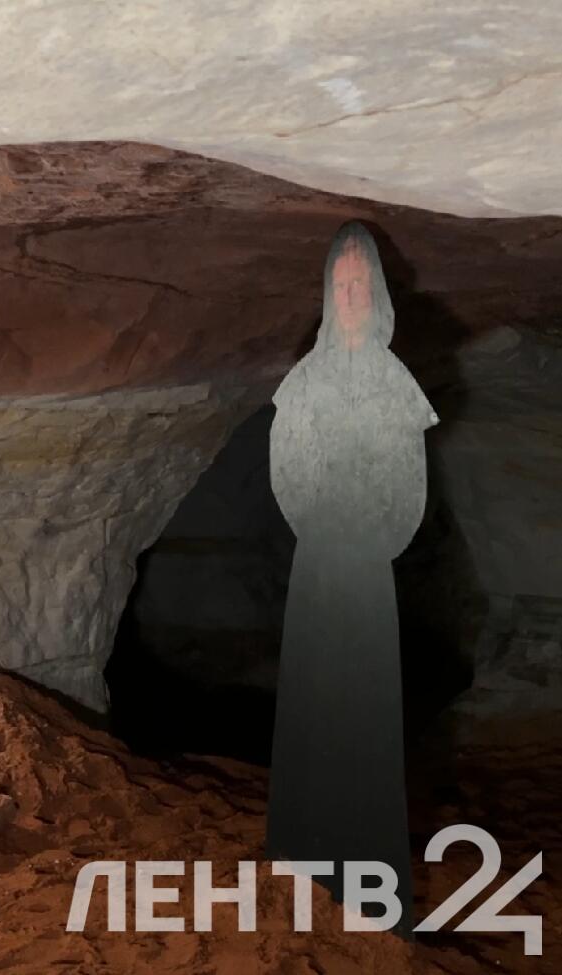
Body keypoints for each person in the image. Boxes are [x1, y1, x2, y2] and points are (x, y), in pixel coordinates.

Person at [266, 222, 437, 932]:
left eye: (360, 283)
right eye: (340, 285)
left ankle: (369, 884)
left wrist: (372, 543)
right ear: (327, 295)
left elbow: (410, 488)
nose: (351, 295)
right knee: (313, 706)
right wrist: (323, 532)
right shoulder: (304, 382)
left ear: (377, 292)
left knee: (365, 710)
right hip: (319, 568)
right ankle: (305, 867)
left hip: (368, 572)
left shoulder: (395, 382)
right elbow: (286, 473)